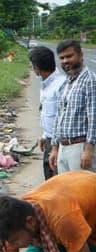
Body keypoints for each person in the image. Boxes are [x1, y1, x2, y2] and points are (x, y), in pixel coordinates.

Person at [50, 40, 95, 173]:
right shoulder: (66, 83)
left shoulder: (90, 80)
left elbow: (94, 118)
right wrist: (54, 148)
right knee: (66, 192)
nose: (65, 61)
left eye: (69, 56)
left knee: (83, 192)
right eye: (62, 58)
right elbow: (59, 116)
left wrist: (88, 150)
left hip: (80, 148)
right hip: (63, 147)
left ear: (81, 55)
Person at [29, 46, 66, 179]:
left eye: (32, 66)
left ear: (37, 67)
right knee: (49, 176)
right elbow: (48, 113)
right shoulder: (46, 85)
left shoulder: (61, 85)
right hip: (50, 139)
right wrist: (44, 136)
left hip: (60, 142)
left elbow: (62, 117)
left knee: (56, 179)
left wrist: (55, 147)